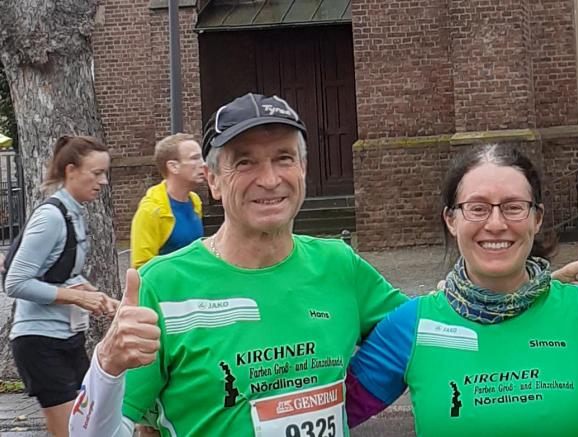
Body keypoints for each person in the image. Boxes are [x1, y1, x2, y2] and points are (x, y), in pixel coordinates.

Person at [70, 93, 408, 436]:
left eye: (284, 158)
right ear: (213, 180)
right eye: (245, 162)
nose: (270, 179)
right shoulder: (161, 285)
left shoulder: (339, 265)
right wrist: (107, 365)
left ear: (303, 169)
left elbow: (419, 336)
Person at [344, 144, 578, 435]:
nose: (496, 224)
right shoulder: (411, 326)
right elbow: (323, 413)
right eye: (477, 208)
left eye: (513, 207)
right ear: (451, 220)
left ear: (537, 218)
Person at [4, 135, 118, 437]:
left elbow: (59, 275)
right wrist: (76, 299)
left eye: (105, 173)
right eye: (96, 173)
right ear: (70, 171)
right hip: (40, 343)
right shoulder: (51, 217)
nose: (103, 181)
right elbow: (15, 283)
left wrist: (96, 295)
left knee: (90, 427)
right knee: (72, 433)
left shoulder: (74, 213)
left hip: (68, 339)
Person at [129, 133, 205, 269]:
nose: (203, 164)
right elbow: (142, 267)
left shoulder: (195, 201)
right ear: (173, 166)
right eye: (195, 158)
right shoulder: (150, 211)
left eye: (201, 158)